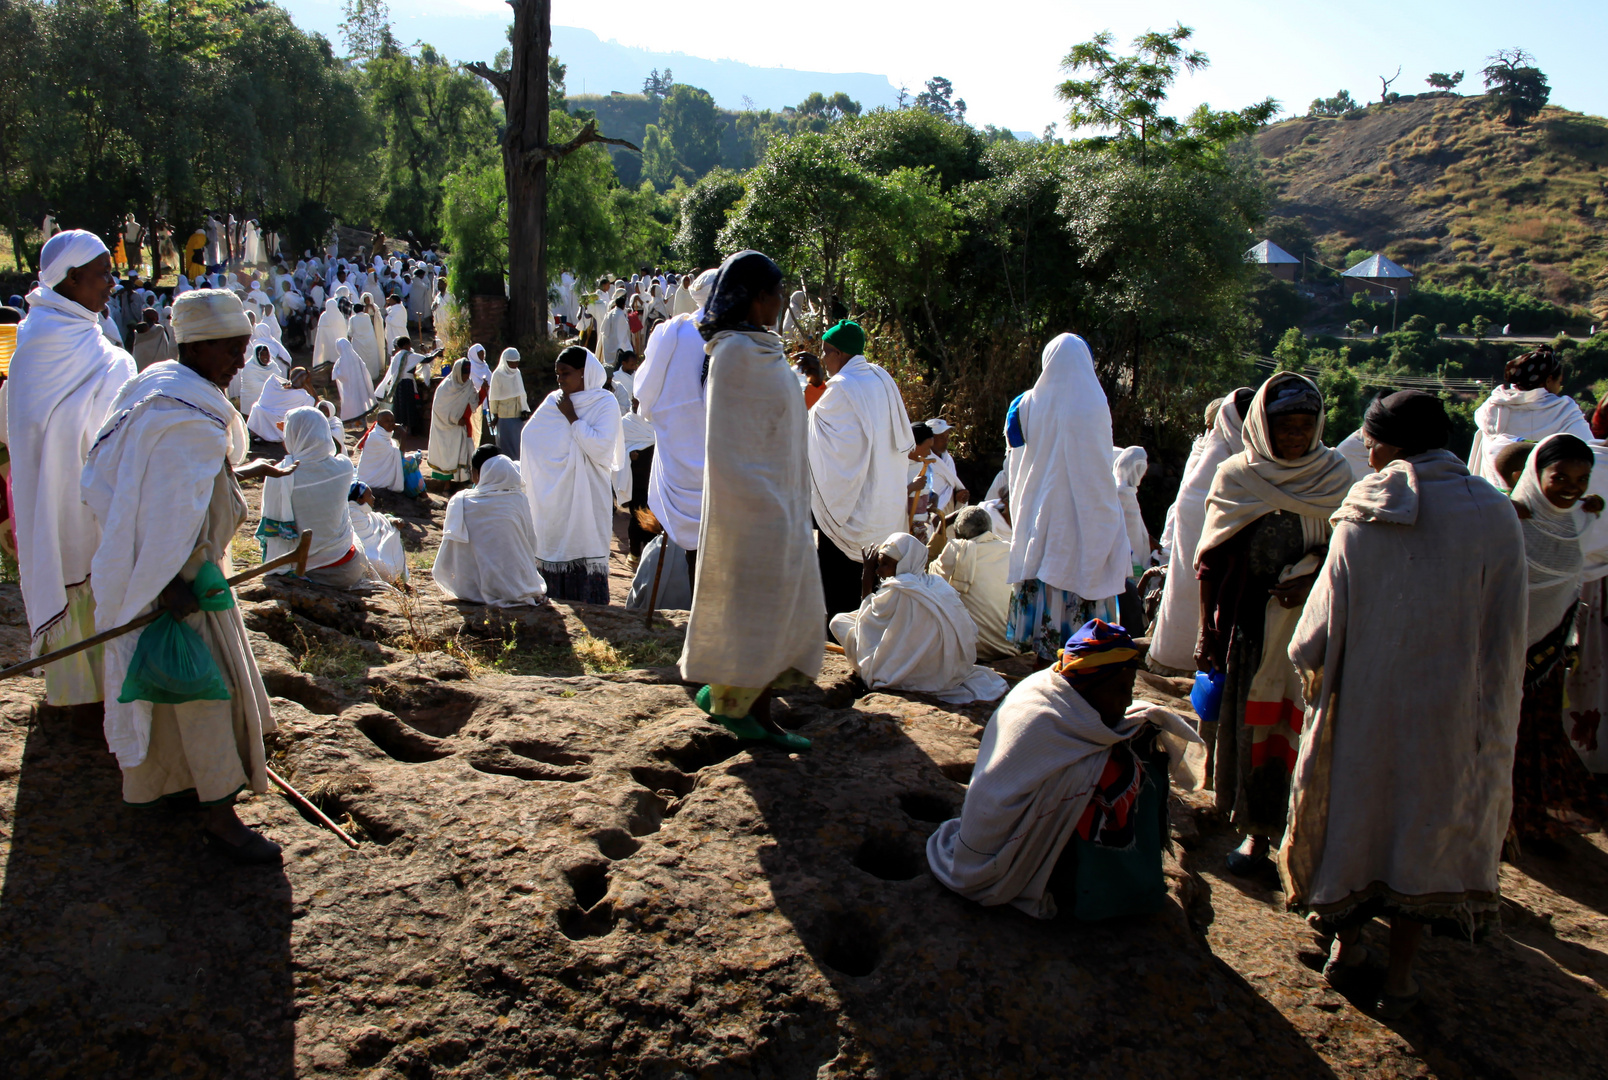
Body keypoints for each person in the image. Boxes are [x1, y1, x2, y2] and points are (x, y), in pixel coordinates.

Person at [1282, 391, 1528, 1017]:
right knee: (1420, 837)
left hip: (1366, 711)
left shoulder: (1365, 509)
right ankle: (1402, 979)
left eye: (1370, 440)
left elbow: (1313, 637)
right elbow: (1505, 631)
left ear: (1392, 444)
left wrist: (1315, 668)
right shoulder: (1494, 515)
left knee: (1359, 820)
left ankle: (1346, 947)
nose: (1364, 451)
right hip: (1450, 720)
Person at [81, 287, 293, 864]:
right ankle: (219, 818)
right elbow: (167, 513)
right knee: (205, 694)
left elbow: (119, 486)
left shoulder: (155, 390)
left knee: (164, 688)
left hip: (166, 574)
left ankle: (172, 783)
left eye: (243, 348)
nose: (237, 362)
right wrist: (168, 583)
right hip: (178, 586)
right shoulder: (187, 421)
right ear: (197, 346)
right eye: (230, 349)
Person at [927, 619, 1204, 918]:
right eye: (1120, 690)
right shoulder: (1044, 717)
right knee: (1122, 776)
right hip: (996, 860)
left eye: (1130, 689)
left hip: (999, 843)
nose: (1126, 701)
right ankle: (1096, 892)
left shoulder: (1060, 692)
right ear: (1088, 685)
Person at [1194, 372, 1352, 874]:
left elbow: (1351, 553)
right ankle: (1255, 832)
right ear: (1263, 425)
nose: (1295, 437)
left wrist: (1311, 582)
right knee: (1254, 728)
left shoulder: (1336, 478)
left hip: (1314, 630)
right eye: (1285, 428)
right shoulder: (1239, 476)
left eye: (1305, 427)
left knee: (1301, 728)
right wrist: (1208, 631)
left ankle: (1299, 828)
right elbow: (1210, 561)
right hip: (1251, 628)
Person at [678, 250, 820, 749]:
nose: (782, 302)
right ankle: (748, 715)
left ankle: (741, 703)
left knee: (770, 608)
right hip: (754, 508)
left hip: (779, 502)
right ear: (756, 298)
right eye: (776, 294)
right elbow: (729, 445)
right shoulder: (735, 354)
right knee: (756, 610)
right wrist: (766, 504)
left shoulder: (762, 347)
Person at [8, 229, 137, 707]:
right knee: (80, 587)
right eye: (103, 273)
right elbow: (28, 433)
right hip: (58, 500)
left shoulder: (89, 343)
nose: (111, 283)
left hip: (89, 500)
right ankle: (80, 699)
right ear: (71, 278)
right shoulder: (39, 347)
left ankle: (98, 692)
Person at [1507, 432, 1608, 851]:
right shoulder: (1509, 521)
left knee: (1533, 742)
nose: (1572, 487)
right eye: (1560, 477)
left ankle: (1528, 820)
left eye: (1582, 478)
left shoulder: (1577, 522)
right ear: (1535, 474)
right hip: (1504, 658)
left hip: (1545, 664)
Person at [1002, 334, 1129, 660]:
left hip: (1042, 516)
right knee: (1082, 571)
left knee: (1047, 565)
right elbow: (1101, 464)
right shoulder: (1096, 402)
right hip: (1087, 513)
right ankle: (1084, 660)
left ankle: (1043, 664)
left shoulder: (1024, 404)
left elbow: (1015, 463)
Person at [808, 319, 915, 622]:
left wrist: (815, 385)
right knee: (878, 577)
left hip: (853, 508)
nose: (823, 358)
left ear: (839, 354)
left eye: (825, 352)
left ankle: (843, 637)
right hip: (885, 505)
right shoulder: (882, 377)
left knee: (841, 578)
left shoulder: (842, 387)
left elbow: (813, 430)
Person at [831, 532, 1010, 703]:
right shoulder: (937, 583)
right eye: (879, 564)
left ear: (904, 564)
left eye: (885, 564)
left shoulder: (898, 589)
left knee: (838, 622)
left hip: (910, 672)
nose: (879, 571)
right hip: (947, 671)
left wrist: (866, 580)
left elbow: (867, 625)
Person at [1146, 390, 1253, 674]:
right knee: (1202, 595)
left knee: (1190, 593)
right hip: (1210, 550)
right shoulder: (1243, 459)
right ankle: (1188, 657)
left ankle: (1177, 653)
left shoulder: (1215, 454)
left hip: (1200, 547)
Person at [519, 346, 624, 604]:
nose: (560, 380)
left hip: (588, 492)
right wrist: (554, 464)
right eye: (557, 375)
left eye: (565, 373)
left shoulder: (604, 403)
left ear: (583, 372)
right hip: (555, 494)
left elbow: (601, 448)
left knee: (584, 542)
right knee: (554, 544)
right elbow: (530, 437)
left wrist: (573, 418)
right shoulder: (554, 400)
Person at [635, 268, 716, 577]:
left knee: (695, 560)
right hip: (717, 458)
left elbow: (645, 393)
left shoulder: (669, 333)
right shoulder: (736, 337)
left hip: (677, 454)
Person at [257, 406, 374, 589]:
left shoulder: (280, 475)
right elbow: (333, 448)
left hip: (305, 571)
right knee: (352, 534)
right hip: (349, 568)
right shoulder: (344, 467)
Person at [1467, 345, 1593, 488]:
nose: (1559, 388)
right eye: (1559, 382)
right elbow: (1590, 452)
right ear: (1549, 380)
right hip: (1547, 498)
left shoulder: (1492, 407)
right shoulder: (1563, 410)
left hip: (1495, 497)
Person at [433, 453, 547, 606]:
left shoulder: (460, 500)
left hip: (470, 586)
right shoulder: (518, 499)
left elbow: (450, 548)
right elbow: (531, 543)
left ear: (480, 473)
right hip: (516, 584)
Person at [932, 506, 1017, 662]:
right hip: (1009, 645)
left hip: (972, 649)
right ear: (989, 530)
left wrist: (942, 525)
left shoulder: (955, 550)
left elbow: (927, 572)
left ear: (957, 534)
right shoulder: (1011, 551)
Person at [427, 358, 477, 483]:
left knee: (461, 453)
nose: (466, 377)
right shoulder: (445, 388)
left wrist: (482, 391)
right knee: (446, 456)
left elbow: (474, 402)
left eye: (468, 373)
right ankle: (446, 486)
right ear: (457, 372)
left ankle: (463, 480)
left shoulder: (468, 385)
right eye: (464, 374)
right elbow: (439, 410)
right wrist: (455, 420)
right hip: (445, 428)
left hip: (459, 429)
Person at [347, 482, 407, 584]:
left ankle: (400, 582)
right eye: (370, 495)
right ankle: (401, 582)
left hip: (361, 560)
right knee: (393, 534)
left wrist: (390, 519)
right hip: (363, 560)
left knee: (392, 530)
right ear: (360, 499)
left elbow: (378, 518)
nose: (373, 498)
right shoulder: (352, 515)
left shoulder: (359, 513)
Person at [246, 366, 315, 445]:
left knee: (256, 407)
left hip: (264, 416)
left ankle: (258, 435)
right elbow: (314, 401)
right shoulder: (304, 396)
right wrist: (309, 384)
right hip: (282, 423)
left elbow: (274, 380)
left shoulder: (273, 384)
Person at [488, 347, 530, 459]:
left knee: (518, 447)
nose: (514, 365)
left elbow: (521, 394)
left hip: (518, 417)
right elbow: (494, 398)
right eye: (512, 363)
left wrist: (525, 410)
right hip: (504, 418)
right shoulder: (497, 375)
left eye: (516, 363)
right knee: (506, 448)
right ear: (506, 362)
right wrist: (495, 415)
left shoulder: (517, 373)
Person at [924, 418, 968, 514]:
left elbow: (950, 488)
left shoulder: (948, 460)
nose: (946, 440)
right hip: (930, 516)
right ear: (930, 439)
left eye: (947, 436)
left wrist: (959, 496)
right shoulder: (922, 462)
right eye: (941, 437)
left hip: (948, 512)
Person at [355, 409, 406, 492]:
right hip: (370, 478)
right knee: (409, 464)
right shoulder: (376, 438)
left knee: (412, 460)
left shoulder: (384, 436)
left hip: (375, 475)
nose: (391, 424)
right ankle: (422, 495)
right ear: (379, 422)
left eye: (392, 421)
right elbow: (400, 456)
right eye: (387, 421)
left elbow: (396, 455)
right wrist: (403, 435)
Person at [233, 344, 287, 418]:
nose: (265, 357)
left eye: (267, 354)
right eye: (262, 354)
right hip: (251, 407)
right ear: (257, 356)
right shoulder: (249, 367)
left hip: (271, 406)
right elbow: (255, 387)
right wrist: (275, 386)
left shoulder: (273, 366)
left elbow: (278, 379)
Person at [332, 338, 375, 423]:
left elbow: (343, 375)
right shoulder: (355, 356)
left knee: (352, 406)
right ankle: (363, 424)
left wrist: (335, 370)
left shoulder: (342, 360)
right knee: (361, 404)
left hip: (349, 388)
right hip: (359, 386)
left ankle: (355, 424)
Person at [598, 289, 632, 374]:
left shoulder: (610, 313)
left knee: (609, 366)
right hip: (617, 345)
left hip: (609, 343)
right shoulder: (620, 315)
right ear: (624, 305)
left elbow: (603, 330)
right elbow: (623, 333)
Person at [311, 294, 346, 371]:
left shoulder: (324, 316)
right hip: (336, 344)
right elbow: (343, 331)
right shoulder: (339, 316)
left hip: (326, 342)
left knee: (327, 356)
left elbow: (320, 331)